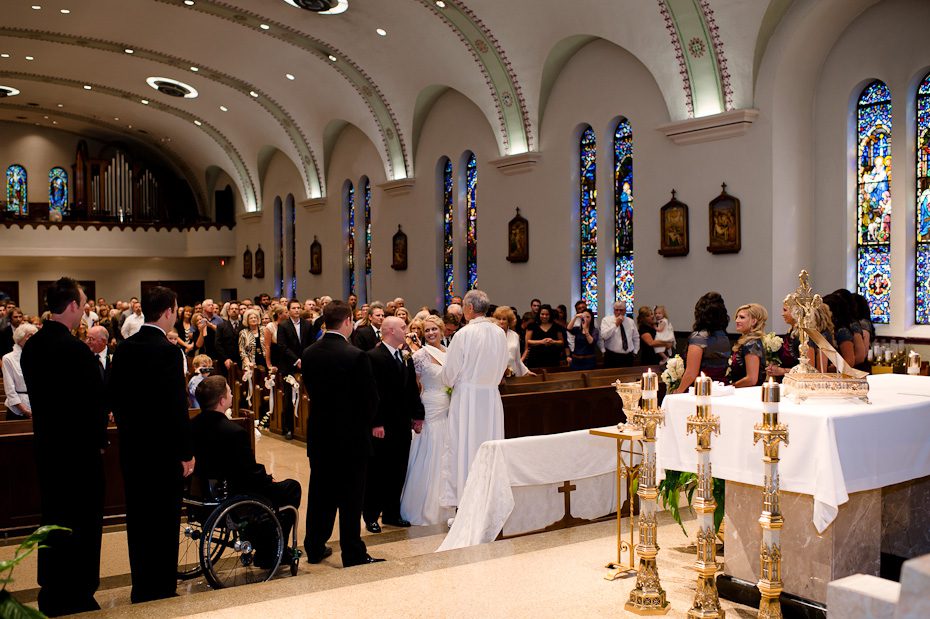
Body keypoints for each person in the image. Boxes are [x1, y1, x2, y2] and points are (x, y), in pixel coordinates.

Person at [21, 277, 108, 616]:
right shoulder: (75, 352)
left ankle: (52, 586)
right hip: (79, 454)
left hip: (47, 448)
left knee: (53, 516)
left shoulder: (33, 347)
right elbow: (95, 403)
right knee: (83, 522)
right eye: (84, 305)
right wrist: (99, 442)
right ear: (72, 305)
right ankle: (79, 590)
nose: (85, 311)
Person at [110, 285, 195, 604]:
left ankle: (141, 584)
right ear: (170, 311)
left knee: (139, 517)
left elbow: (114, 397)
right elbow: (176, 407)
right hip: (163, 452)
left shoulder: (125, 349)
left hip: (133, 448)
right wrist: (186, 452)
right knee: (164, 517)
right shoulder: (169, 351)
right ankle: (161, 584)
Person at [301, 301, 383, 567]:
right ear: (348, 321)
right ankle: (352, 552)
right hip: (350, 437)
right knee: (351, 497)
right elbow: (370, 400)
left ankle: (314, 547)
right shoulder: (356, 355)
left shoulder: (310, 353)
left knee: (320, 493)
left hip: (321, 433)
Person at [190, 376, 301, 562]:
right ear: (222, 400)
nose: (232, 394)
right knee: (291, 488)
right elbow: (249, 473)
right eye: (229, 391)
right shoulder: (233, 432)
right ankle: (273, 550)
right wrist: (268, 479)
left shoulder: (192, 425)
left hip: (204, 495)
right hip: (234, 494)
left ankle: (267, 546)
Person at [440, 289, 508, 511]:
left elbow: (450, 373)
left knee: (464, 446)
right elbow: (502, 367)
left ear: (469, 309)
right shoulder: (499, 333)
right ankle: (488, 500)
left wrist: (451, 382)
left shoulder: (463, 335)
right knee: (488, 444)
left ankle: (465, 502)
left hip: (467, 398)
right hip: (490, 396)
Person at [363, 316, 425, 532]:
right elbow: (371, 394)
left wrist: (418, 415)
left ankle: (391, 512)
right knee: (378, 470)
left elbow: (411, 390)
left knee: (399, 469)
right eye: (402, 327)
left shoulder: (405, 356)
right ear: (390, 331)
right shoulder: (373, 356)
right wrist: (376, 422)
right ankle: (370, 514)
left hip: (401, 423)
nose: (406, 330)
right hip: (382, 424)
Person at [400, 315, 454, 525]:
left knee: (446, 452)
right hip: (430, 405)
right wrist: (416, 413)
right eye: (427, 330)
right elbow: (414, 386)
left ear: (442, 330)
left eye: (434, 330)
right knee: (429, 450)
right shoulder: (420, 355)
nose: (431, 333)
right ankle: (424, 505)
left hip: (448, 405)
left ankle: (449, 502)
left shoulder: (448, 353)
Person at [674, 292, 731, 393]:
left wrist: (678, 391)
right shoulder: (723, 336)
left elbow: (691, 373)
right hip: (720, 389)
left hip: (701, 390)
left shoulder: (699, 337)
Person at [277, 300, 315, 439]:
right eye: (294, 308)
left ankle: (306, 427)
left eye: (299, 308)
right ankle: (289, 428)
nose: (297, 310)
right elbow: (282, 346)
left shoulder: (307, 324)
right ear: (288, 310)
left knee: (307, 396)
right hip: (289, 366)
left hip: (305, 364)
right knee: (289, 398)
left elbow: (311, 344)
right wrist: (296, 359)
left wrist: (304, 358)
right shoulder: (283, 326)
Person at [727, 303, 767, 387]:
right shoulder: (748, 342)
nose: (737, 320)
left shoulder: (751, 344)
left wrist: (731, 387)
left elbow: (751, 379)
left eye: (742, 317)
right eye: (737, 317)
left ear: (753, 321)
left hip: (747, 394)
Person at [3, 323, 38, 418]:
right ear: (20, 338)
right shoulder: (8, 358)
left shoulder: (39, 357)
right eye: (30, 335)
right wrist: (24, 409)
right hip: (17, 408)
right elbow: (9, 389)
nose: (34, 338)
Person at [493, 306, 533, 377]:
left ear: (509, 321)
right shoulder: (492, 335)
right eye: (499, 319)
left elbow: (517, 360)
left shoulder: (515, 335)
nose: (501, 322)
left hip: (512, 372)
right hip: (496, 373)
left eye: (504, 319)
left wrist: (527, 372)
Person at [600, 301, 639, 367]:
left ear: (625, 310)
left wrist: (635, 351)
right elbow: (604, 336)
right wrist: (615, 324)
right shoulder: (606, 320)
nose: (618, 312)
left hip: (628, 356)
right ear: (613, 310)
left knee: (628, 376)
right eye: (616, 310)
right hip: (612, 356)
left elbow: (636, 337)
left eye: (621, 310)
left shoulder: (630, 321)